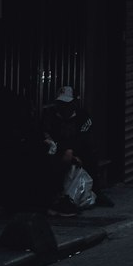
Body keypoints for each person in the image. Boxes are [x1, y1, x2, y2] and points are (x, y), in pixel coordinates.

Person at [41, 86, 95, 215]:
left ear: (73, 103)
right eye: (61, 104)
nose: (63, 107)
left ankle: (69, 198)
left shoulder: (83, 117)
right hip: (57, 153)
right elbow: (47, 136)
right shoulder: (51, 117)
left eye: (66, 104)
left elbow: (83, 140)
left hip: (78, 153)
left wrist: (73, 153)